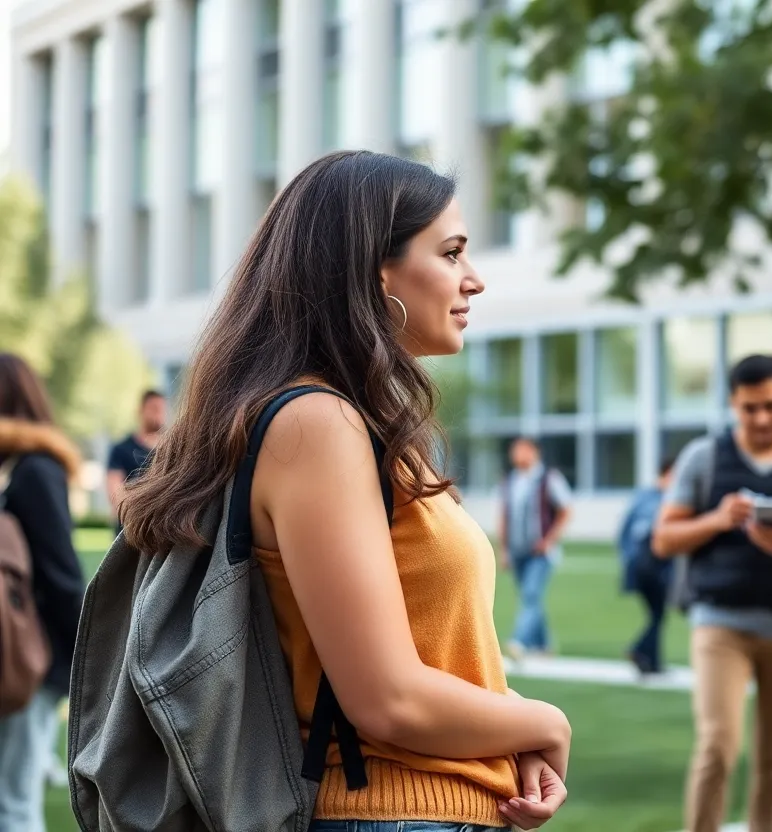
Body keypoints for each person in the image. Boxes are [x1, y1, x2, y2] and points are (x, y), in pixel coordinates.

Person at [120, 151, 570, 832]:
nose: (473, 280)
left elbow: (420, 655)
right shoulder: (317, 424)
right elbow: (386, 699)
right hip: (382, 813)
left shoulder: (352, 423)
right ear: (372, 271)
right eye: (450, 253)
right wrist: (546, 721)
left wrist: (503, 730)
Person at [652, 354, 772, 832]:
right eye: (749, 408)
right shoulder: (705, 457)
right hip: (721, 623)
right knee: (718, 746)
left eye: (770, 406)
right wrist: (719, 518)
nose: (761, 418)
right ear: (732, 405)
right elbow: (663, 539)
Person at [0, 353, 86, 832]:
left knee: (13, 802)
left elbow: (61, 575)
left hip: (28, 660)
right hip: (19, 654)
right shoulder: (21, 468)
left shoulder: (33, 471)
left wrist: (86, 662)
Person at [499, 437, 573, 661]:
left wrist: (549, 540)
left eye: (522, 451)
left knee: (531, 594)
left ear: (534, 453)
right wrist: (504, 548)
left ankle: (519, 641)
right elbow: (504, 516)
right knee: (530, 596)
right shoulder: (510, 481)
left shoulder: (548, 478)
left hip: (540, 552)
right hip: (518, 549)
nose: (517, 455)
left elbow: (566, 510)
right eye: (515, 451)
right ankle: (543, 645)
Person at [617, 456, 677, 676]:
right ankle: (640, 650)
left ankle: (652, 663)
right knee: (658, 614)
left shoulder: (642, 496)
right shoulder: (666, 500)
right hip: (654, 565)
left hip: (639, 564)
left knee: (656, 614)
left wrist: (627, 559)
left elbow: (624, 532)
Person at [106, 389, 166, 535]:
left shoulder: (172, 450)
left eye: (162, 409)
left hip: (162, 532)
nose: (158, 414)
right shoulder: (121, 449)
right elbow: (115, 493)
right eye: (154, 408)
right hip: (129, 531)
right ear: (141, 410)